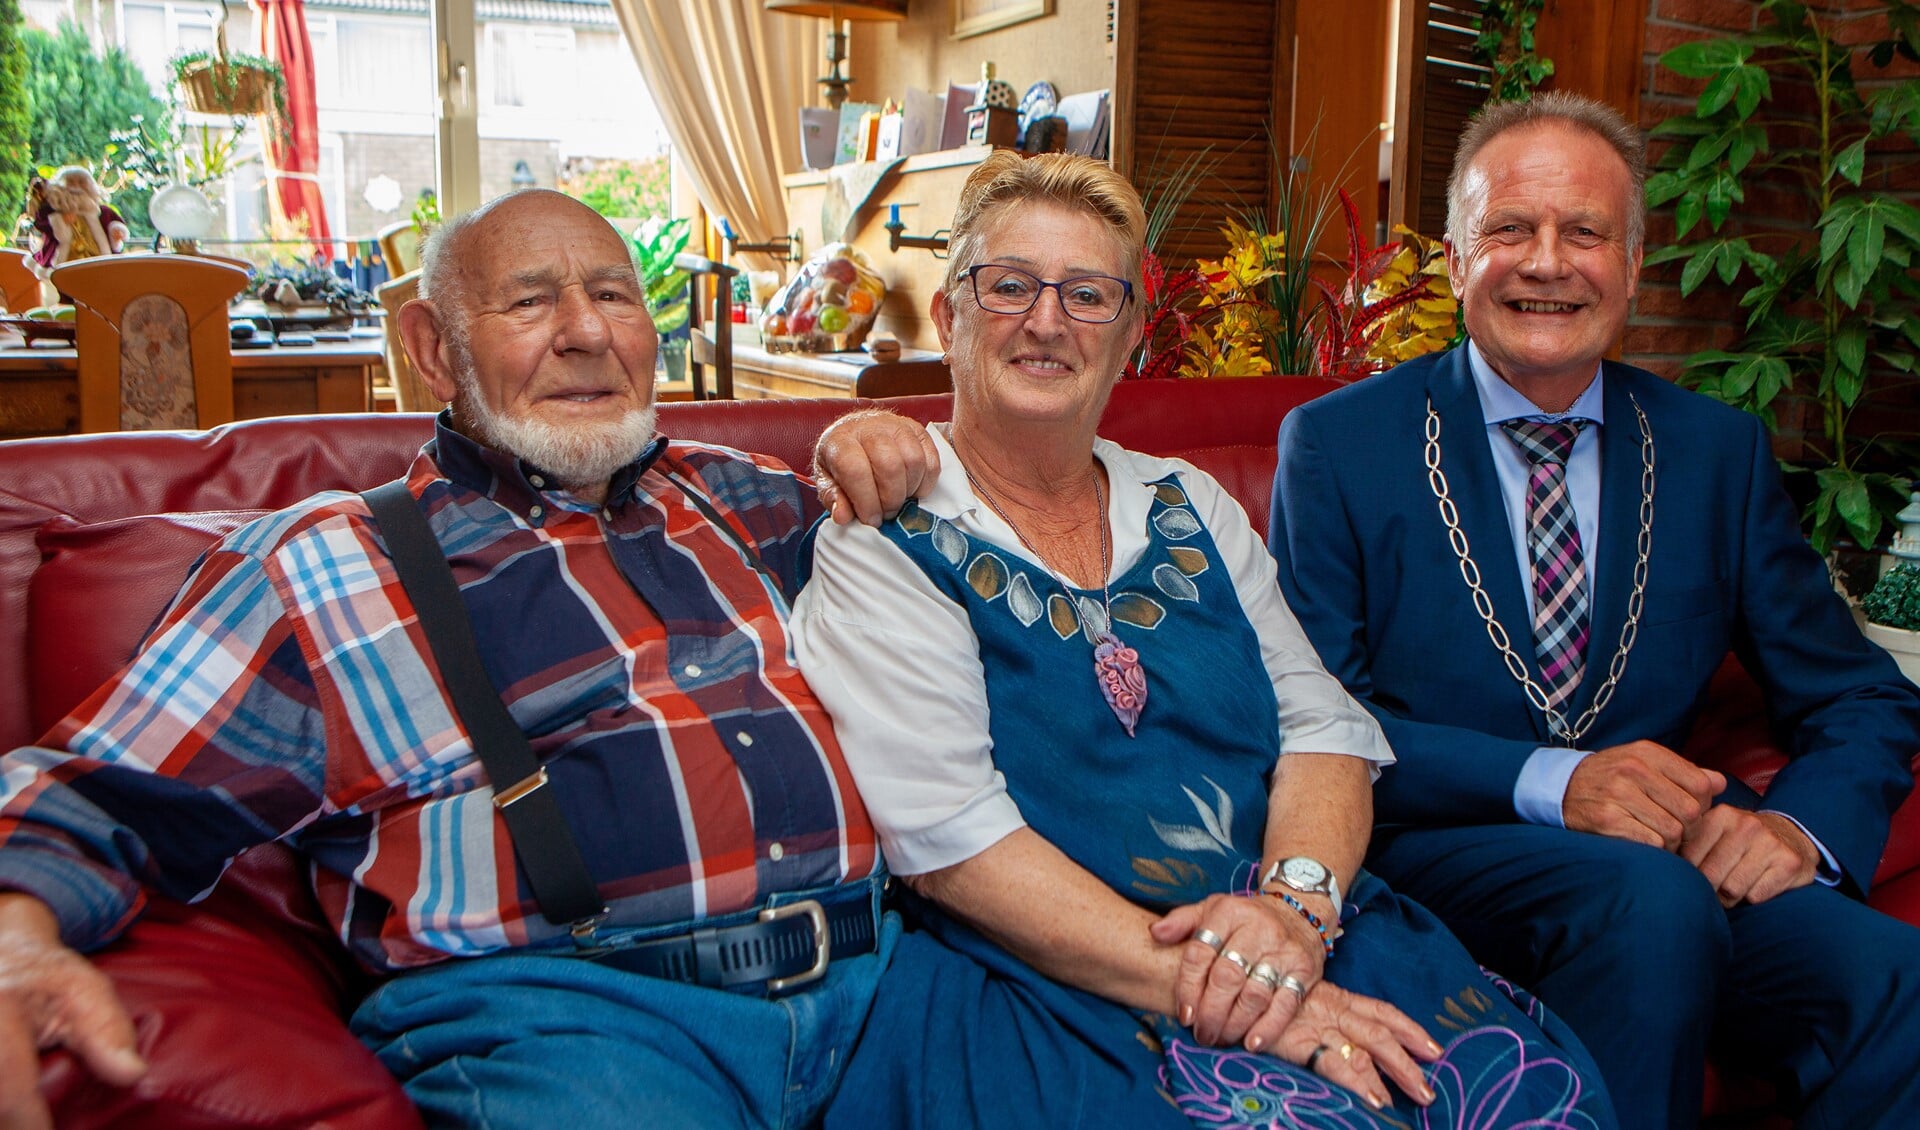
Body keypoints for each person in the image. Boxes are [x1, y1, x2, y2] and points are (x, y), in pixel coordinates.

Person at [0, 189, 902, 1130]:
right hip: (579, 1028)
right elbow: (88, 790)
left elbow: (985, 591)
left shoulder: (747, 498)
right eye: (530, 302)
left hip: (891, 982)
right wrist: (14, 934)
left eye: (615, 295)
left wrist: (878, 447)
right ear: (434, 350)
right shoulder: (320, 566)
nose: (587, 332)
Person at [794, 150, 1616, 1129]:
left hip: (1282, 923)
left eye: (1089, 295)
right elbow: (951, 843)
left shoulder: (1189, 503)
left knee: (1537, 1101)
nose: (1047, 321)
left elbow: (1323, 729)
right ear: (949, 316)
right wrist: (1253, 991)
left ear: (1133, 332)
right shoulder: (884, 531)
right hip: (1051, 975)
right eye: (1009, 286)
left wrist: (1299, 915)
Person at [1268, 91, 1920, 1128]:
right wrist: (1557, 781)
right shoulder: (1338, 445)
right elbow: (1316, 720)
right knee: (1650, 905)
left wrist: (1797, 828)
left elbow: (1859, 694)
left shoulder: (1716, 451)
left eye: (1585, 232)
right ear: (1453, 257)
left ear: (1633, 262)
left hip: (1664, 872)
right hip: (1438, 858)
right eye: (1510, 229)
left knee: (1896, 975)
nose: (1547, 262)